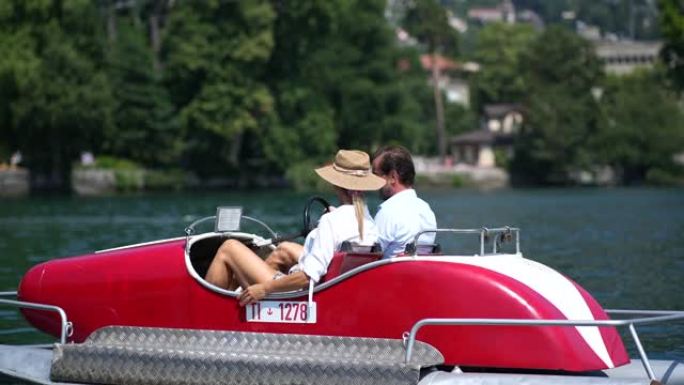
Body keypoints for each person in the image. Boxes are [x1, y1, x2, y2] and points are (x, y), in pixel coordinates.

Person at [205, 149, 385, 306]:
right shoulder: (369, 222)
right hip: (332, 290)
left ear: (336, 184)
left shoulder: (332, 221)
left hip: (298, 294)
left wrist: (264, 289)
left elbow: (308, 277)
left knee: (229, 247)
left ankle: (215, 309)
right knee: (283, 249)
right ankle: (239, 294)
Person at [372, 145, 437, 258]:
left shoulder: (388, 212)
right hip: (418, 273)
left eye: (376, 175)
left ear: (392, 176)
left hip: (390, 274)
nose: (373, 181)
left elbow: (367, 256)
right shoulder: (426, 209)